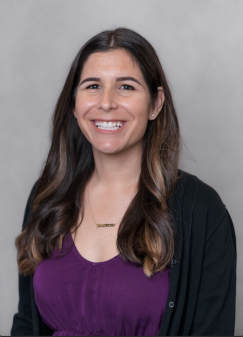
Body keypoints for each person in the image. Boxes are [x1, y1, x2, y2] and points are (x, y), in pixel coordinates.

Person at [11, 28, 236, 336]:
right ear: (74, 104)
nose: (106, 103)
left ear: (156, 104)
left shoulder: (202, 211)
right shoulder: (47, 196)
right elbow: (26, 323)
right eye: (92, 86)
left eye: (126, 87)